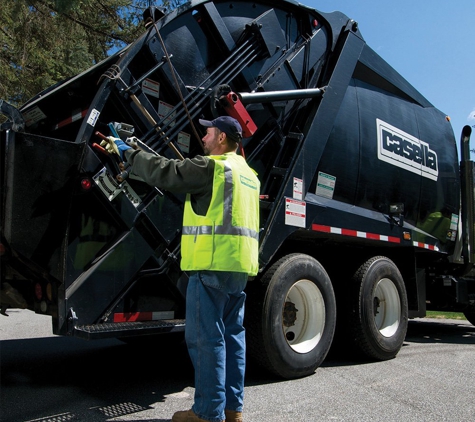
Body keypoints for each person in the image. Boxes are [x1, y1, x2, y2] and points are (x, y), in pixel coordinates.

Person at [112, 116, 260, 422]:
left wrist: (128, 152)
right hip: (238, 269)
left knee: (207, 341)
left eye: (207, 134)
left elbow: (168, 173)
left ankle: (206, 413)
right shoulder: (249, 175)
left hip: (209, 267)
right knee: (232, 339)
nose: (203, 139)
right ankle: (233, 410)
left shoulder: (212, 168)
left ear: (221, 138)